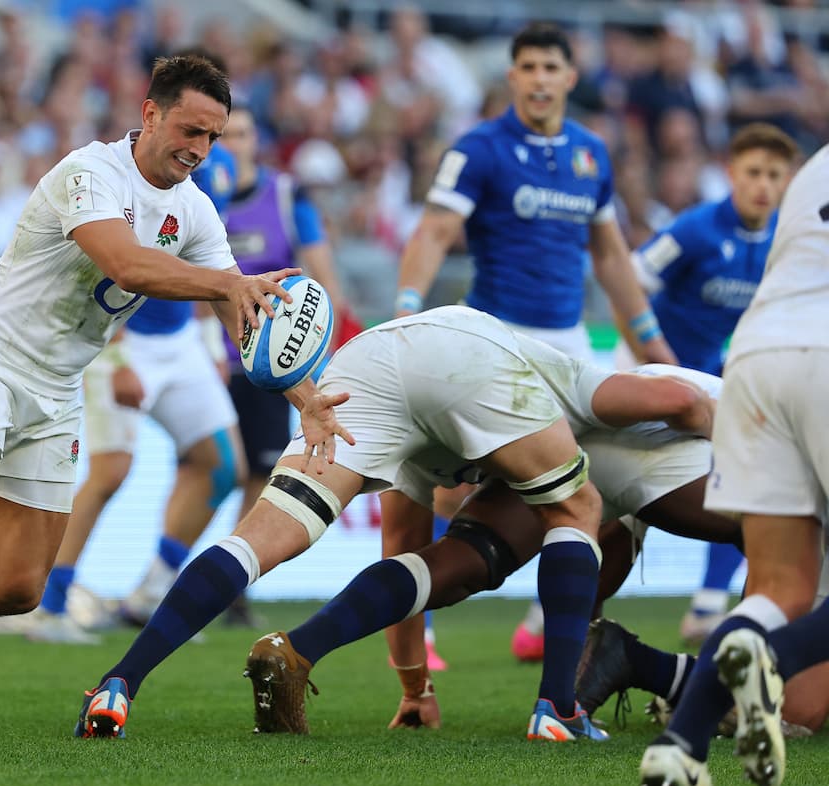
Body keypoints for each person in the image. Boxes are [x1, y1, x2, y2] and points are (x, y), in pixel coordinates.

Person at [0, 54, 349, 748]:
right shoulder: (88, 174)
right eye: (190, 129)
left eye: (214, 137)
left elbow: (244, 323)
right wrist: (226, 284)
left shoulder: (196, 210)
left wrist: (303, 393)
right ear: (149, 114)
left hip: (56, 390)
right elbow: (125, 264)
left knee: (15, 587)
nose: (200, 149)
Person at [74, 305, 714, 741]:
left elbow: (405, 561)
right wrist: (737, 431)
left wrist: (414, 688)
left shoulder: (418, 455)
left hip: (364, 367)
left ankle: (117, 685)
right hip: (471, 356)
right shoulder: (570, 377)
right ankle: (558, 710)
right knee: (578, 507)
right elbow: (676, 398)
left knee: (257, 539)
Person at [393, 23, 677, 662]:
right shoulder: (481, 148)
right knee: (445, 486)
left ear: (570, 78)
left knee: (596, 491)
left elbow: (610, 258)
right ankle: (420, 630)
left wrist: (652, 345)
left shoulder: (590, 155)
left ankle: (548, 623)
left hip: (569, 346)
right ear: (514, 77)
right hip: (495, 341)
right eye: (529, 67)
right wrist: (407, 308)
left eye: (552, 67)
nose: (541, 79)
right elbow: (437, 230)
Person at [377, 364, 732, 733]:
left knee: (549, 525)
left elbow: (682, 397)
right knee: (568, 518)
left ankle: (591, 676)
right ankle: (577, 688)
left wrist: (416, 687)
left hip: (641, 411)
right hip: (627, 410)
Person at [639, 144, 829, 786]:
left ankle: (681, 749)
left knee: (778, 589)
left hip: (753, 360)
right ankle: (771, 660)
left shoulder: (813, 170)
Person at [25, 141, 245, 642]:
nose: (211, 145)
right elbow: (109, 263)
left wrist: (212, 340)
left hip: (181, 338)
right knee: (111, 471)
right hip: (121, 337)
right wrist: (118, 357)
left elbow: (209, 264)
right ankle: (51, 607)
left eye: (228, 132)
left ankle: (153, 592)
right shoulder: (130, 172)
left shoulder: (218, 173)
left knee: (223, 463)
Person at [619, 123, 798, 646]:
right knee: (623, 504)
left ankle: (707, 606)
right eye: (753, 173)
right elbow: (630, 282)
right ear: (731, 173)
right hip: (660, 385)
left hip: (726, 392)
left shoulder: (788, 240)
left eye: (773, 175)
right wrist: (650, 361)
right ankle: (552, 611)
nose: (762, 185)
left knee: (745, 483)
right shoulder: (693, 230)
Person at [217, 106, 357, 626]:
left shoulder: (285, 196)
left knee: (258, 469)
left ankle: (232, 582)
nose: (233, 143)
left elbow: (321, 277)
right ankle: (177, 577)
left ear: (258, 141)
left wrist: (329, 345)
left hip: (274, 366)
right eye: (224, 135)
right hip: (216, 358)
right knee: (217, 465)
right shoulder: (197, 197)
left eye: (243, 133)